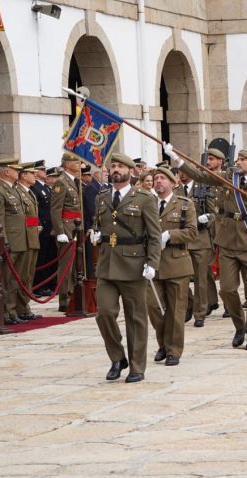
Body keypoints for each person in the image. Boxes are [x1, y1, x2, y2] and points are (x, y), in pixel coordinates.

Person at [168, 143, 247, 351]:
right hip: (227, 240)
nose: (238, 163)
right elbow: (202, 176)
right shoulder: (229, 176)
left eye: (243, 160)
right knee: (227, 290)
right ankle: (239, 325)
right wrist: (178, 159)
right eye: (238, 160)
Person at [90, 153, 161, 383]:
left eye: (120, 166)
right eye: (113, 167)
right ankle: (117, 357)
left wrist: (152, 263)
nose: (115, 170)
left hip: (133, 264)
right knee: (104, 313)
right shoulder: (102, 197)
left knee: (136, 318)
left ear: (131, 171)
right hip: (107, 263)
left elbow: (154, 235)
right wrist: (95, 234)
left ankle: (137, 366)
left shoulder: (144, 198)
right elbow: (98, 223)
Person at [147, 165, 197, 367]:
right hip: (153, 264)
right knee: (153, 308)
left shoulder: (185, 205)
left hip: (177, 263)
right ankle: (163, 343)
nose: (158, 181)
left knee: (176, 310)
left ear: (172, 182)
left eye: (162, 178)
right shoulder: (147, 203)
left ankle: (173, 350)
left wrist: (170, 236)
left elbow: (193, 232)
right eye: (156, 178)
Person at [0, 158, 30, 325]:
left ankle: (12, 311)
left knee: (15, 279)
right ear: (6, 172)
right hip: (10, 240)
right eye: (15, 169)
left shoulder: (15, 190)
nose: (18, 172)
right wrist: (2, 241)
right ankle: (4, 312)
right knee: (5, 279)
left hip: (21, 239)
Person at [176, 158, 218, 328]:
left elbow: (214, 213)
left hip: (200, 240)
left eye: (186, 172)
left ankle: (200, 312)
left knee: (201, 279)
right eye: (180, 172)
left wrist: (206, 219)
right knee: (181, 278)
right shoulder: (176, 190)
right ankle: (189, 303)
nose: (183, 175)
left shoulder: (203, 189)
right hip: (182, 240)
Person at [51, 154, 83, 312]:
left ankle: (74, 295)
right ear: (68, 164)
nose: (79, 164)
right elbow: (56, 209)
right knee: (66, 267)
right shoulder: (61, 182)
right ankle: (64, 299)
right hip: (66, 228)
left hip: (76, 227)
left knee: (76, 266)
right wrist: (59, 231)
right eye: (76, 162)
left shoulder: (75, 181)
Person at [14, 162, 42, 321]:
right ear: (24, 175)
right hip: (24, 238)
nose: (35, 175)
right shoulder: (18, 191)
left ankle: (24, 306)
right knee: (20, 275)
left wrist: (35, 225)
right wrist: (33, 225)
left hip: (32, 237)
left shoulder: (29, 192)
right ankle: (17, 308)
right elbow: (19, 218)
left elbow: (31, 217)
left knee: (28, 276)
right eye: (32, 173)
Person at [31, 164, 55, 296]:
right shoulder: (35, 187)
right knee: (41, 258)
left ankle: (46, 284)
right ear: (35, 172)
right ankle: (38, 285)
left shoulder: (45, 187)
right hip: (42, 227)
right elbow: (36, 209)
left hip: (49, 227)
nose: (45, 171)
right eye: (42, 169)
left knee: (48, 257)